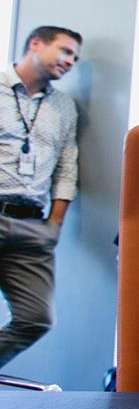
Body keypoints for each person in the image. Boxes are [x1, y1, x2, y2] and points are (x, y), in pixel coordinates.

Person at [0, 25, 81, 370]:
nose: (70, 61)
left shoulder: (63, 106)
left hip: (33, 225)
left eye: (75, 58)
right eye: (64, 51)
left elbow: (66, 166)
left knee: (36, 318)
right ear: (36, 44)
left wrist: (55, 225)